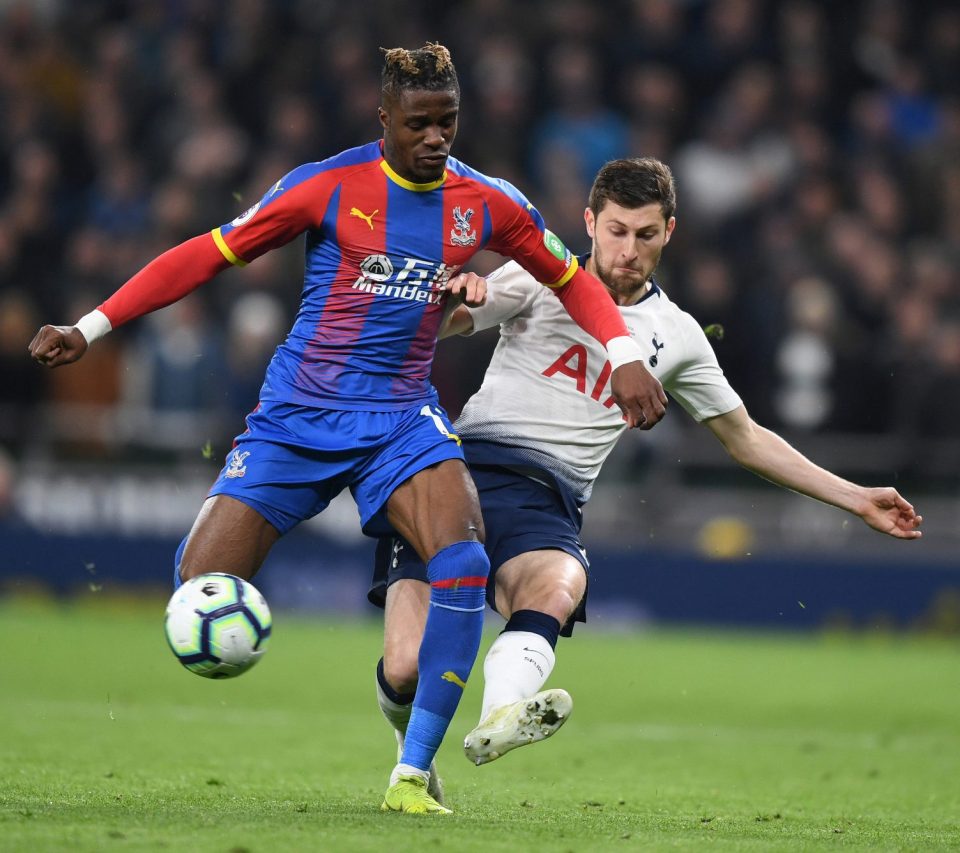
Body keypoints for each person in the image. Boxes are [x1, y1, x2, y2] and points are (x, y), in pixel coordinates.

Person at [27, 44, 668, 816]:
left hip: (401, 415)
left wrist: (625, 353)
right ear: (386, 119)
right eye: (420, 124)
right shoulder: (326, 186)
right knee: (198, 585)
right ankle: (287, 658)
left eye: (448, 122)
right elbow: (205, 256)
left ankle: (412, 771)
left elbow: (571, 279)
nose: (437, 138)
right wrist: (91, 326)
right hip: (298, 413)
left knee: (462, 558)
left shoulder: (487, 201)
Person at [369, 156, 923, 790]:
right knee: (408, 666)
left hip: (546, 501)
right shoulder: (539, 278)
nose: (628, 250)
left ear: (670, 233)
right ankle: (409, 739)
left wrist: (855, 498)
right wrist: (451, 297)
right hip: (457, 475)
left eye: (645, 234)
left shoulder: (679, 335)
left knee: (558, 584)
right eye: (616, 231)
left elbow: (745, 439)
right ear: (589, 223)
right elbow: (447, 324)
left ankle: (502, 713)